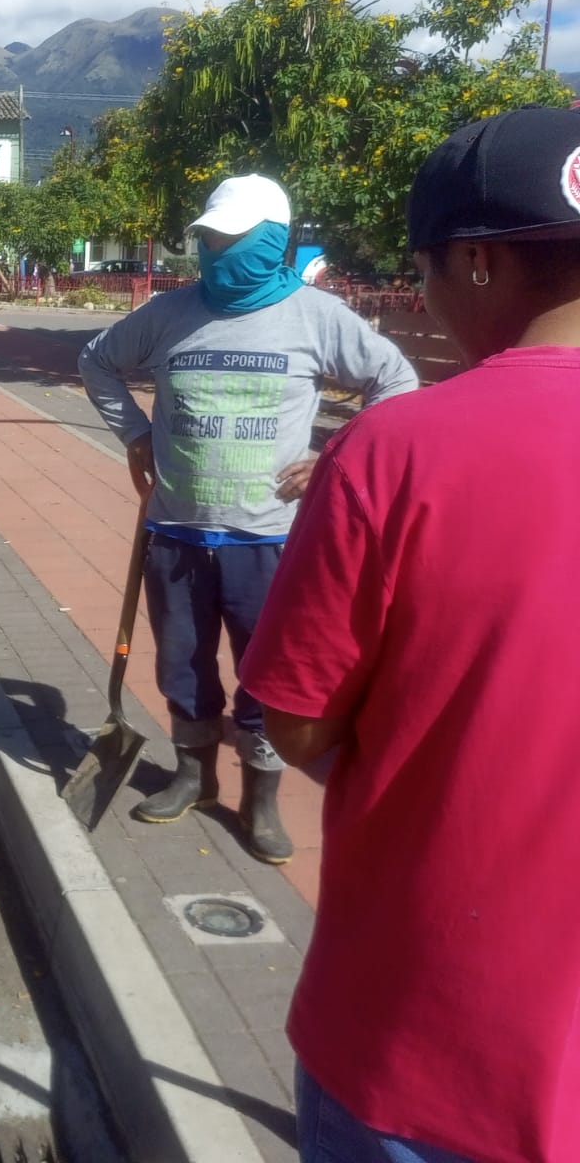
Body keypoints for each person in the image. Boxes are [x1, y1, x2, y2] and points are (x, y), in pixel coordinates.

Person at [241, 106, 580, 1163]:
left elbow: (295, 723)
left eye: (422, 267)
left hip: (426, 1041)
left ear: (476, 260)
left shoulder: (396, 450)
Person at [77, 174, 415, 864]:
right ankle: (194, 776)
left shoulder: (316, 317)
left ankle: (260, 799)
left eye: (232, 240)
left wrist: (336, 455)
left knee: (265, 675)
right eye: (209, 239)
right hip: (175, 532)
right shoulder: (170, 313)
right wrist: (136, 435)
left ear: (272, 242)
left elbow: (396, 382)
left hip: (270, 541)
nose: (216, 253)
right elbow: (97, 362)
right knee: (183, 666)